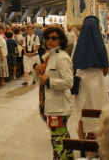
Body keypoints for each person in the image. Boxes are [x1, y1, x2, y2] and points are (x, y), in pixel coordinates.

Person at [34, 26, 74, 160]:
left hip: (58, 107)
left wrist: (49, 81)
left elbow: (69, 82)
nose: (50, 41)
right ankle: (69, 157)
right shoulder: (49, 56)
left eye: (54, 38)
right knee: (63, 136)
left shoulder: (62, 58)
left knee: (57, 140)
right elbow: (40, 80)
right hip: (49, 104)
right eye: (47, 38)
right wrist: (37, 70)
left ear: (61, 40)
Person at [69, 16, 109, 142]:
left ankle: (83, 143)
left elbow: (72, 66)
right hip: (97, 82)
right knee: (97, 113)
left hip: (82, 82)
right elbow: (106, 70)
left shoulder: (78, 45)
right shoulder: (102, 46)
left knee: (81, 113)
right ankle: (94, 146)